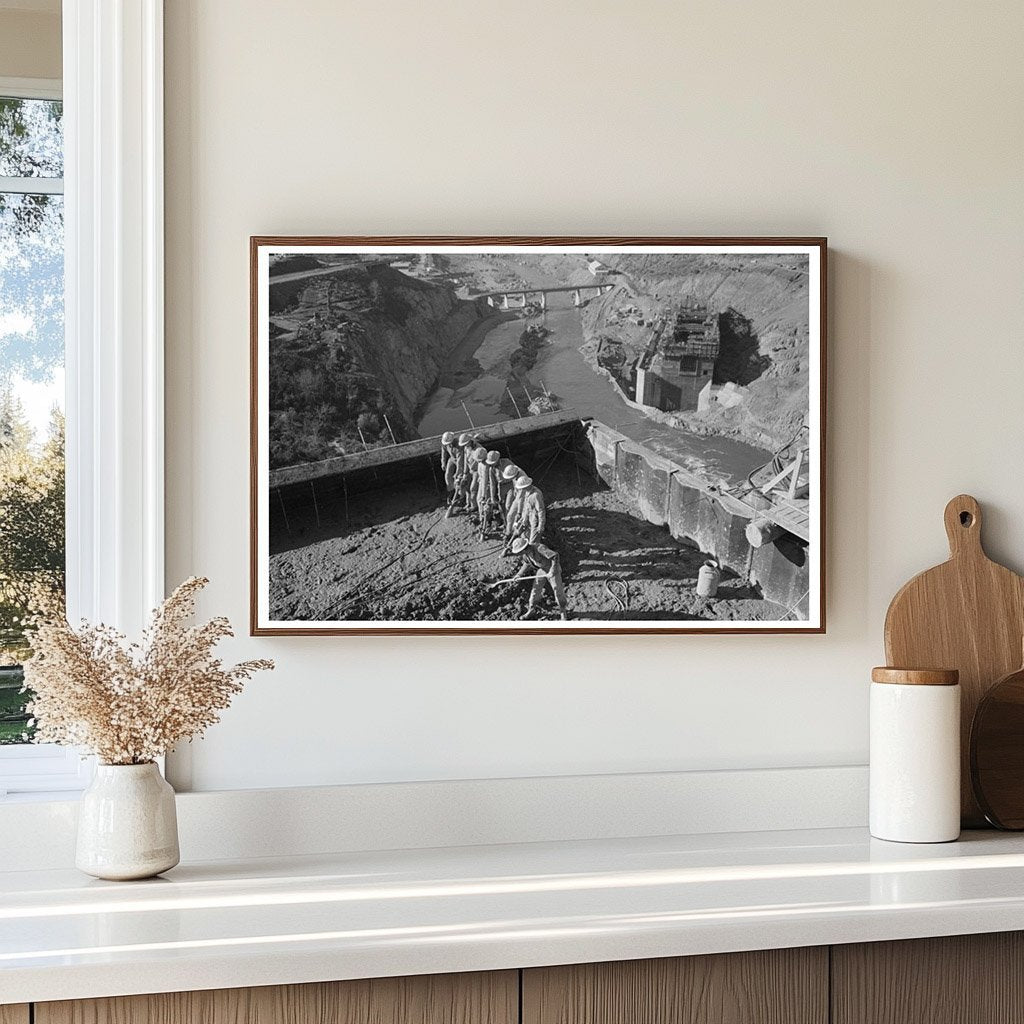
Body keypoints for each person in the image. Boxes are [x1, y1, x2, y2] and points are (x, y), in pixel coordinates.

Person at [508, 535, 569, 621]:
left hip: (552, 569)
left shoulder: (539, 548)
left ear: (524, 548)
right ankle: (531, 610)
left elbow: (555, 556)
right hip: (542, 570)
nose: (519, 553)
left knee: (558, 591)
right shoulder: (526, 555)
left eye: (520, 551)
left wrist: (552, 570)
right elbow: (526, 564)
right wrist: (519, 574)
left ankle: (563, 612)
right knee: (535, 591)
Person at [509, 474, 546, 544]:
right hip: (527, 517)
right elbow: (526, 507)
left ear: (526, 486)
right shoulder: (526, 492)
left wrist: (541, 525)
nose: (521, 489)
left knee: (533, 542)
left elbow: (541, 511)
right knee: (519, 532)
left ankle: (536, 552)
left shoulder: (536, 495)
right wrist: (522, 518)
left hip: (534, 519)